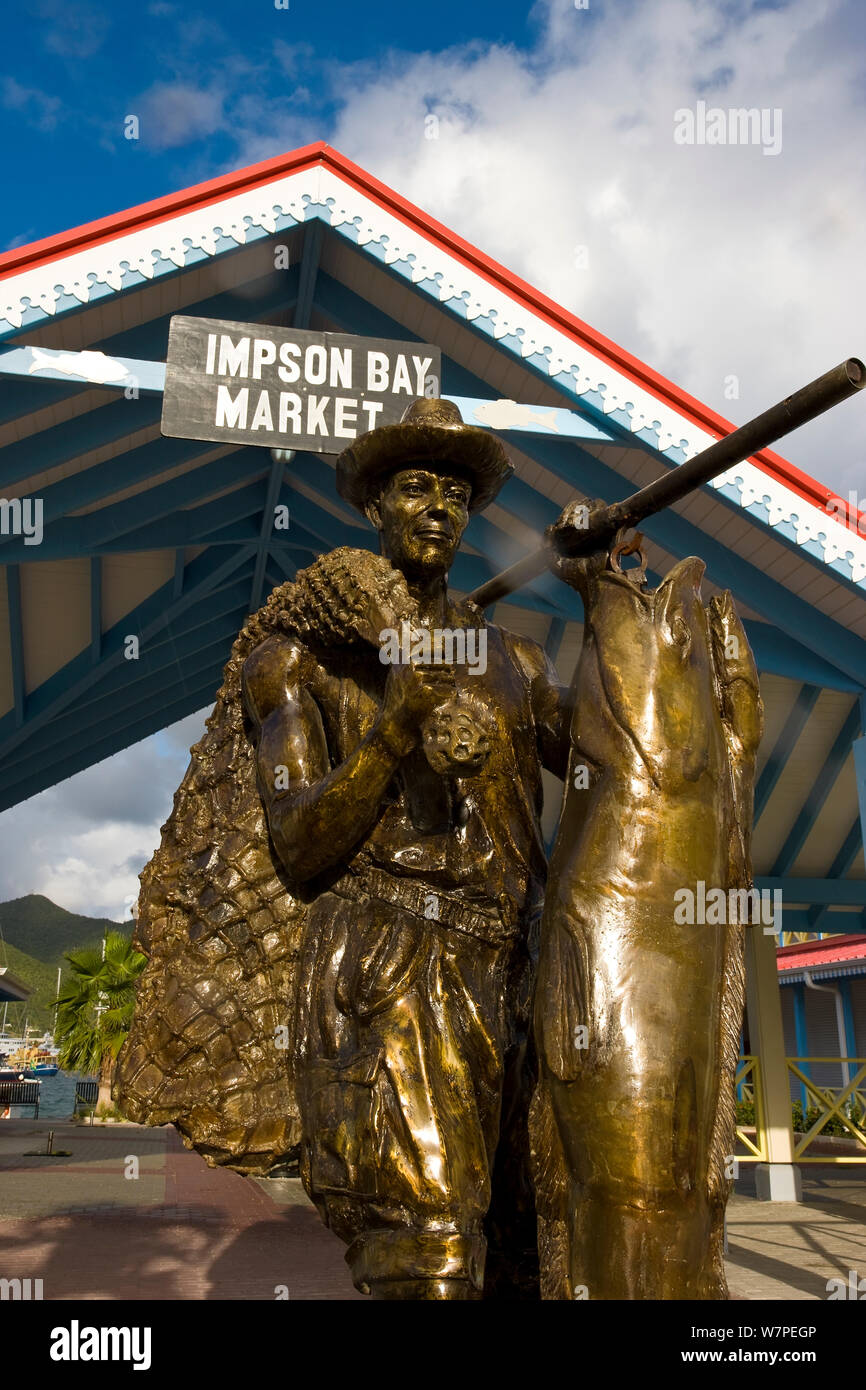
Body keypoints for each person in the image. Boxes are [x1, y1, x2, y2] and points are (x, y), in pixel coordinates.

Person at [243, 398, 573, 1299]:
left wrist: (605, 593)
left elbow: (611, 760)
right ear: (373, 506)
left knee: (531, 1255)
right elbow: (301, 844)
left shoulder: (518, 662)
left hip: (512, 971)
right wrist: (393, 730)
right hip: (389, 965)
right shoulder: (299, 658)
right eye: (415, 486)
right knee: (428, 1262)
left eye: (456, 493)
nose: (439, 507)